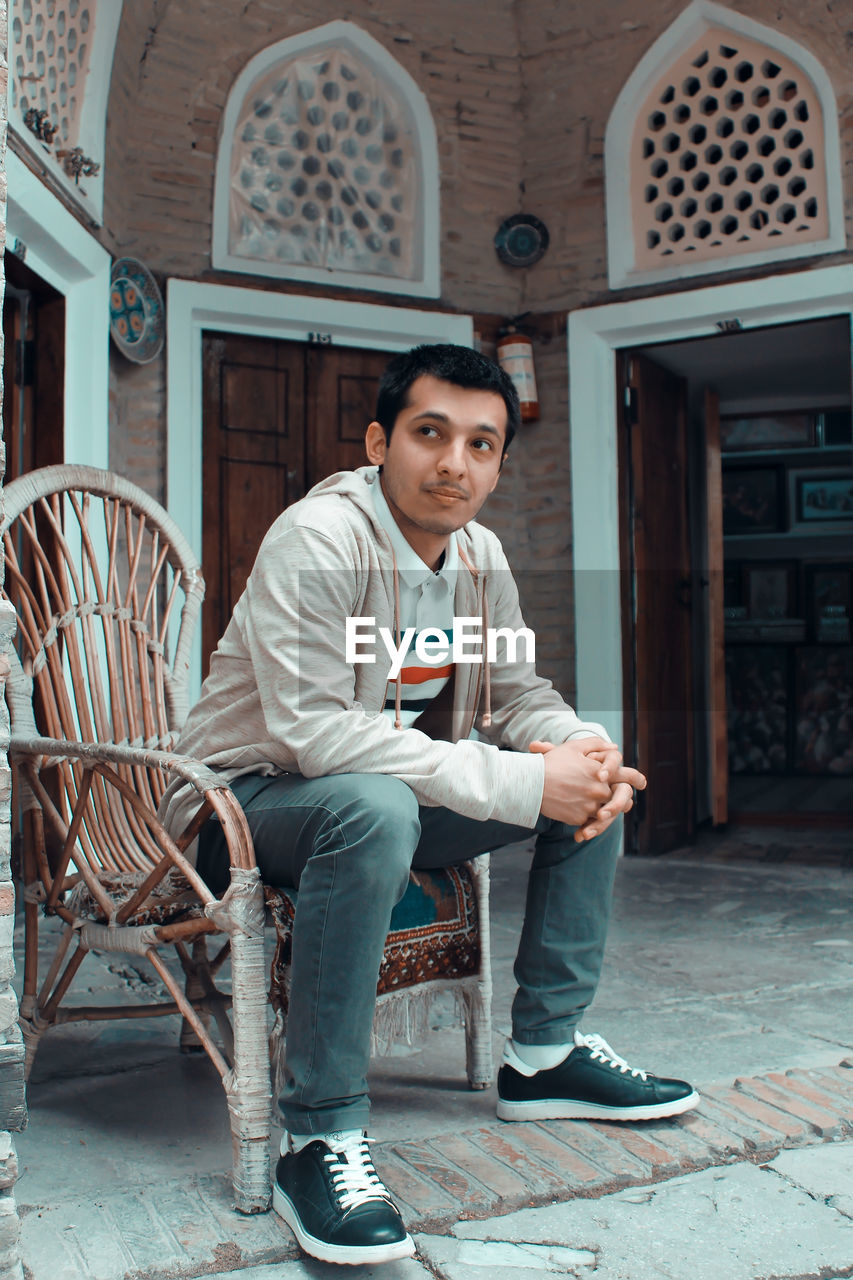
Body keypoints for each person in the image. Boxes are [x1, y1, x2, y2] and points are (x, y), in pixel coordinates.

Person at [162, 344, 698, 1267]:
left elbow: (517, 692)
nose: (455, 463)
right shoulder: (318, 537)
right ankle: (318, 1135)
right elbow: (315, 733)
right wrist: (521, 777)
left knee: (582, 785)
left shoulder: (479, 555)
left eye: (482, 445)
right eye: (430, 434)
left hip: (372, 796)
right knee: (378, 808)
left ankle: (542, 1054)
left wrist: (575, 748)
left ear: (497, 462)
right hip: (232, 807)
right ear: (380, 441)